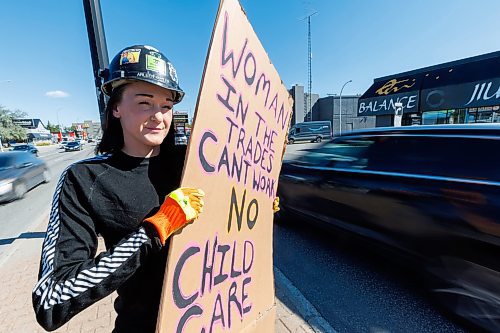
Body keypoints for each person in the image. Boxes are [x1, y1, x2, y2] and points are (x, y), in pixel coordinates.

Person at [32, 45, 205, 332]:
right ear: (115, 108)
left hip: (216, 318)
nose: (158, 116)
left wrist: (249, 200)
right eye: (144, 103)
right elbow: (52, 299)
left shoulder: (195, 160)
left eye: (166, 105)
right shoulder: (84, 179)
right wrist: (154, 230)